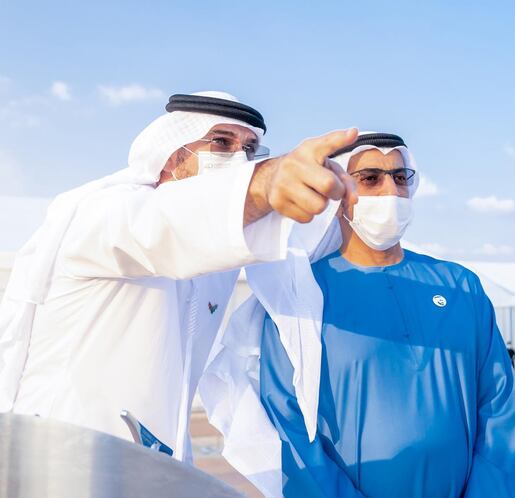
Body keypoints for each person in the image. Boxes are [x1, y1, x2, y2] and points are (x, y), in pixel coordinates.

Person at [0, 91, 358, 460]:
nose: (239, 158)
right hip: (58, 461)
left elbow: (294, 249)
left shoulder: (212, 255)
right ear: (172, 156)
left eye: (250, 150)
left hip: (155, 467)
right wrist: (267, 183)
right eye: (221, 142)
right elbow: (163, 224)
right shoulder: (102, 215)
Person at [200, 132, 515, 498]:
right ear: (337, 197)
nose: (390, 190)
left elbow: (499, 407)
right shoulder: (300, 298)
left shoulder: (460, 287)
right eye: (371, 178)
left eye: (400, 177)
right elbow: (290, 430)